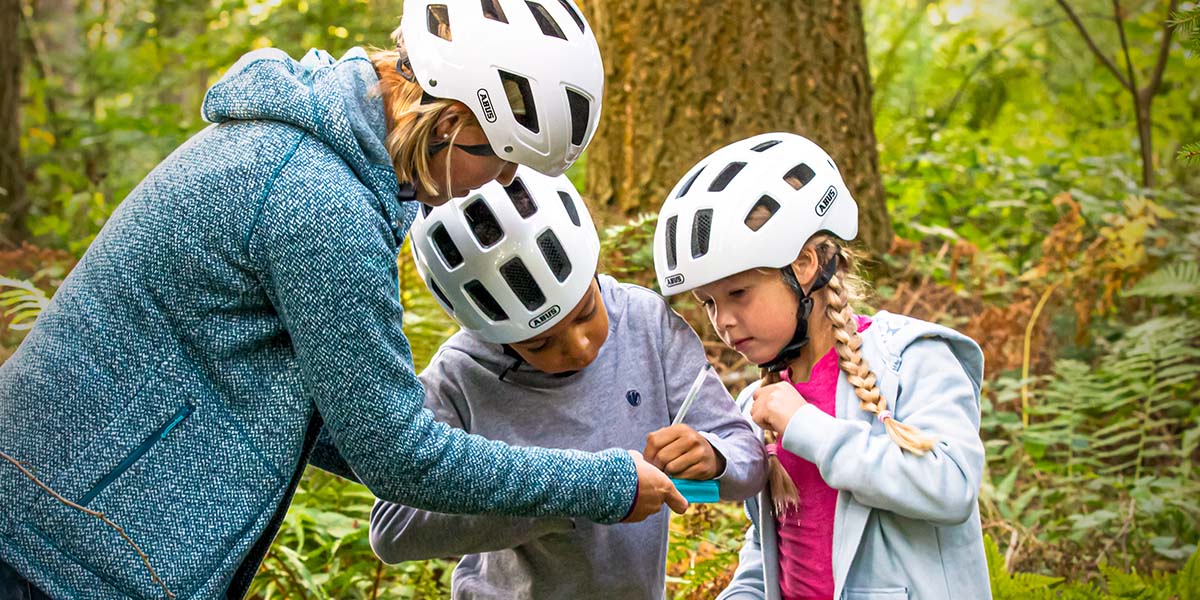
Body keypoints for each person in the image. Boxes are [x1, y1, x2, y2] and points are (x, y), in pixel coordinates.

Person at [0, 2, 685, 599]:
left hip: (67, 527)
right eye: (500, 155)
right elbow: (397, 455)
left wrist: (516, 454)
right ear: (445, 119)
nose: (498, 182)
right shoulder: (318, 204)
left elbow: (340, 422)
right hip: (57, 547)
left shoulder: (306, 160)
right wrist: (604, 484)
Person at [369, 167, 766, 599]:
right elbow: (395, 528)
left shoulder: (644, 323)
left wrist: (714, 457)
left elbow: (747, 460)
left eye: (585, 313)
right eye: (540, 344)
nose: (579, 348)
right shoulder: (461, 377)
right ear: (489, 332)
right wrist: (570, 493)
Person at [652, 132, 990, 600]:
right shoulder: (758, 403)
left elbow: (950, 487)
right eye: (708, 302)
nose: (723, 321)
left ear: (805, 264)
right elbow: (773, 549)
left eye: (739, 294)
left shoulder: (912, 360)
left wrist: (807, 426)